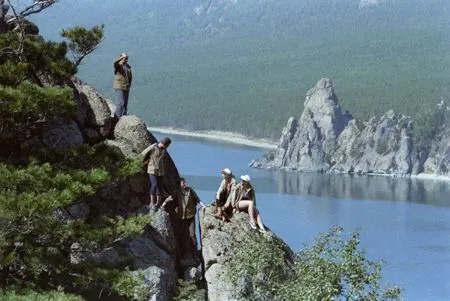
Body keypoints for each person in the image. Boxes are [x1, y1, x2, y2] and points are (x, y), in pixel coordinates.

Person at [176, 178, 206, 253]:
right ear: (179, 184)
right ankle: (185, 253)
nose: (184, 184)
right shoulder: (177, 192)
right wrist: (164, 203)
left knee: (192, 235)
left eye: (184, 182)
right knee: (184, 236)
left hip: (190, 215)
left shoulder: (190, 190)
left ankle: (194, 251)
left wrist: (202, 205)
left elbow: (197, 198)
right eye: (183, 183)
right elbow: (171, 198)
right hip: (182, 216)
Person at [141, 137, 171, 211]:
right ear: (164, 143)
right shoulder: (154, 147)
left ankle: (158, 203)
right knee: (154, 185)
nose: (167, 147)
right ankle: (152, 203)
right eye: (167, 145)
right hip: (152, 169)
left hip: (160, 171)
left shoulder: (164, 150)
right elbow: (143, 153)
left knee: (160, 187)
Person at [113, 52, 132, 118]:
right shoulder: (118, 65)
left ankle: (123, 118)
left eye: (126, 58)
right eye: (125, 58)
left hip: (126, 87)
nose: (126, 59)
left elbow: (130, 77)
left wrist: (129, 85)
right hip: (119, 86)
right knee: (120, 104)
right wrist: (122, 57)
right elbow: (114, 62)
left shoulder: (128, 67)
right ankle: (117, 119)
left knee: (125, 105)